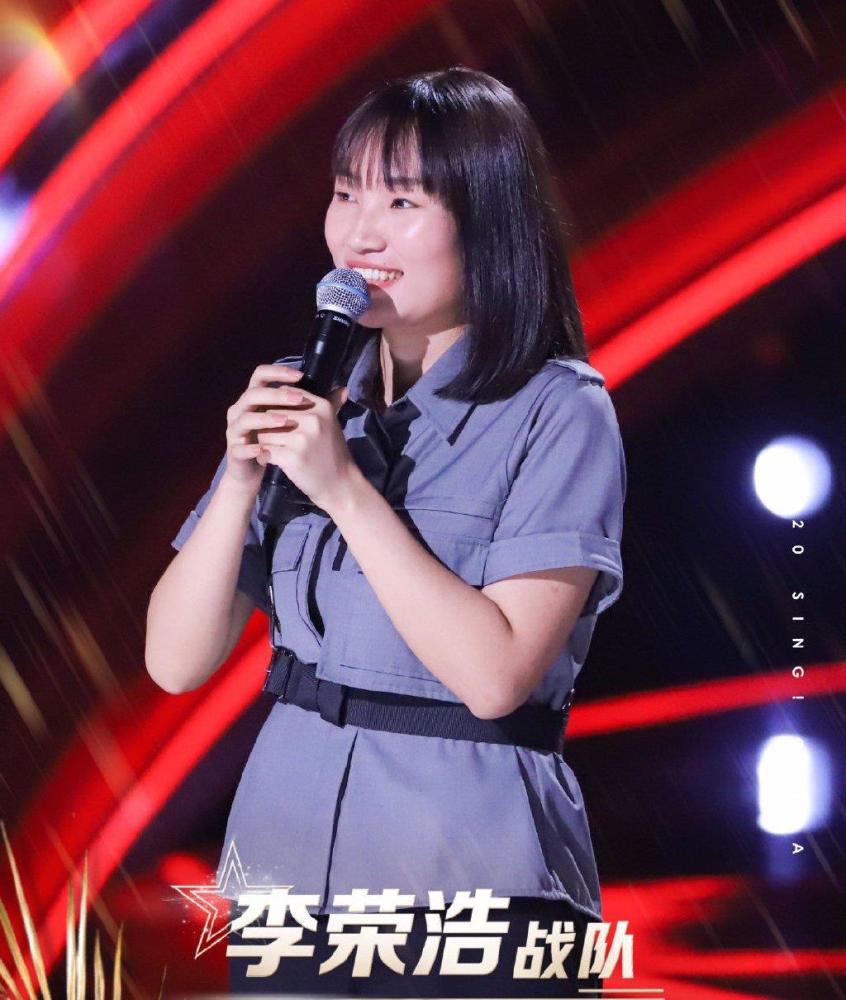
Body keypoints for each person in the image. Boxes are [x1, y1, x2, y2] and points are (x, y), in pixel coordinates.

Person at [146, 66, 625, 997]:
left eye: (402, 201)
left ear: (488, 219)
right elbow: (173, 661)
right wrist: (242, 475)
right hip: (284, 883)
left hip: (469, 891)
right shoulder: (310, 397)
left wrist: (347, 494)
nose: (360, 232)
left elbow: (495, 676)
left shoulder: (559, 412)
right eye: (346, 193)